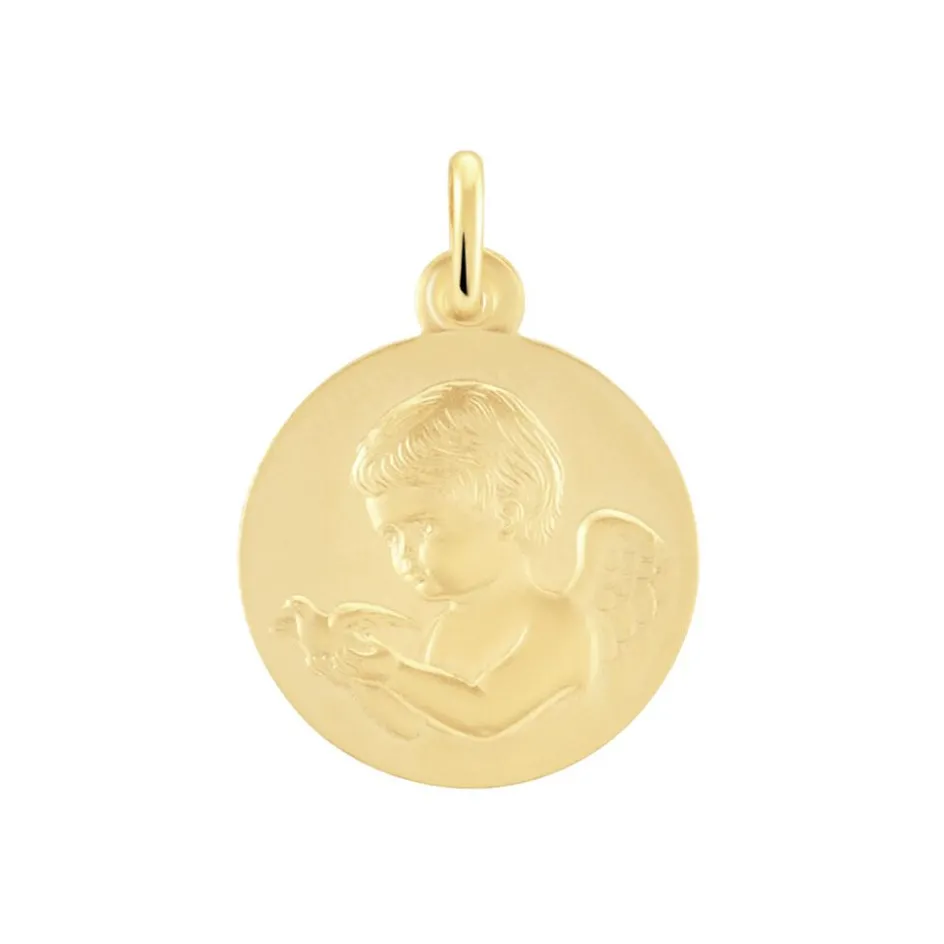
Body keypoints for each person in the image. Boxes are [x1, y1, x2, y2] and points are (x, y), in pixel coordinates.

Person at [337, 380, 595, 739]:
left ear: (507, 513)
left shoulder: (556, 623)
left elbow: (486, 714)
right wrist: (356, 676)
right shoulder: (448, 627)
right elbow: (420, 728)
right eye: (391, 535)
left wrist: (393, 673)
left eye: (424, 526)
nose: (403, 552)